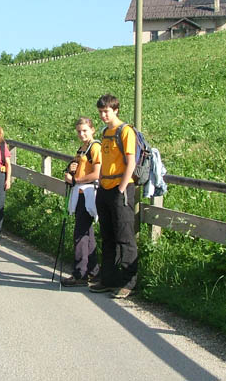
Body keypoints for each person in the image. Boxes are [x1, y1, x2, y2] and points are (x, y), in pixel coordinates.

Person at [89, 94, 137, 299]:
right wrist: (101, 185)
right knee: (108, 236)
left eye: (106, 111)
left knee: (125, 237)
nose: (103, 115)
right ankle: (109, 280)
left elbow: (131, 162)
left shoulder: (125, 131)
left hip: (120, 189)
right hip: (105, 188)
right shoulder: (105, 132)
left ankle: (128, 283)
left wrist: (121, 189)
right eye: (100, 112)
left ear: (116, 110)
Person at [60, 117, 101, 287]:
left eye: (84, 130)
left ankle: (80, 273)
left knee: (80, 233)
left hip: (88, 192)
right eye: (79, 131)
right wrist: (70, 171)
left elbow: (97, 174)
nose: (81, 134)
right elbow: (77, 167)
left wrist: (77, 180)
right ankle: (93, 271)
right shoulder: (82, 148)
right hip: (81, 192)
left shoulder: (95, 147)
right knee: (86, 232)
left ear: (92, 130)